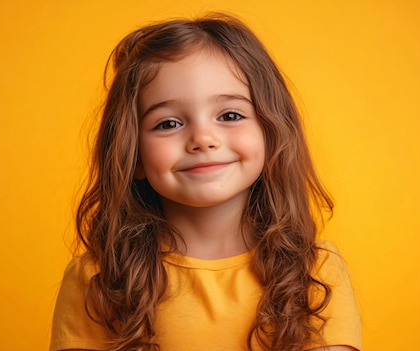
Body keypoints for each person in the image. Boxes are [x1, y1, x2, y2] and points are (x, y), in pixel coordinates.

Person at [50, 12, 362, 351]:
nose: (203, 138)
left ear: (270, 133)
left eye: (230, 115)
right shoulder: (95, 278)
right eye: (168, 123)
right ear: (133, 154)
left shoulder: (317, 271)